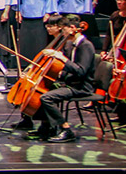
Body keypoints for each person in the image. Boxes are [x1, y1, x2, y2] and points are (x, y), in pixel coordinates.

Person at [29, 14, 97, 142]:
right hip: (71, 83)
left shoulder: (86, 45)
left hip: (81, 87)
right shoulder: (72, 44)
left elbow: (81, 71)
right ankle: (46, 127)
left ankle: (66, 129)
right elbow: (68, 68)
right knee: (41, 89)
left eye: (63, 29)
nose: (62, 32)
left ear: (72, 28)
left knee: (47, 98)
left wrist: (62, 58)